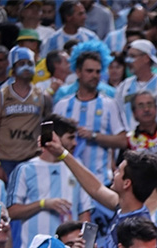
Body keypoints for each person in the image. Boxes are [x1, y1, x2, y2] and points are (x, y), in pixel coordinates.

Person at [7, 114, 92, 248]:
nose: (75, 143)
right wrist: (43, 204)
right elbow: (12, 212)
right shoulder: (25, 169)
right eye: (70, 137)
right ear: (54, 138)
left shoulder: (77, 168)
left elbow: (85, 213)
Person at [53, 49, 128, 184]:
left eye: (98, 72)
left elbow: (123, 141)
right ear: (78, 72)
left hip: (101, 181)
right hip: (66, 181)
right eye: (89, 71)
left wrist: (94, 136)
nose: (94, 75)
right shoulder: (62, 105)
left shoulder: (110, 105)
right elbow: (49, 140)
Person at [0, 45, 51, 181]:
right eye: (21, 64)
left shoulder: (43, 96)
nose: (26, 67)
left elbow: (48, 130)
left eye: (30, 63)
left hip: (32, 160)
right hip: (6, 161)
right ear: (12, 68)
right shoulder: (0, 96)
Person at [115, 39, 157, 129]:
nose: (128, 61)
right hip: (131, 140)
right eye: (128, 56)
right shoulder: (123, 86)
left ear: (146, 58)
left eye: (132, 56)